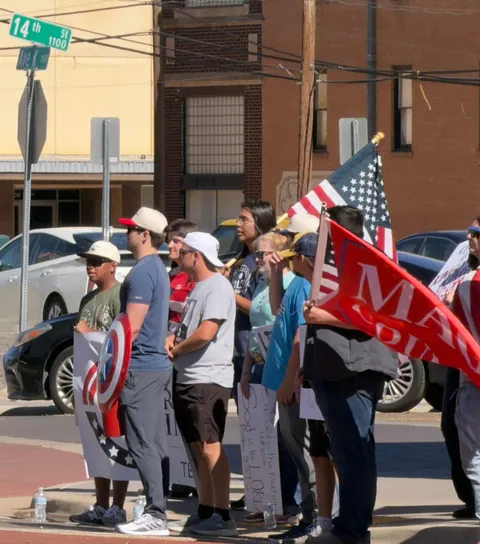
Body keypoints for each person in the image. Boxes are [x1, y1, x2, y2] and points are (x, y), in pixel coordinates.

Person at [303, 205, 398, 544]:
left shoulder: (363, 266)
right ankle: (352, 525)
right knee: (350, 451)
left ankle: (351, 530)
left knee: (353, 452)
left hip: (354, 369)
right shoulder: (335, 267)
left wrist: (322, 317)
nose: (320, 235)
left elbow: (371, 317)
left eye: (326, 229)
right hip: (335, 369)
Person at [263, 233, 336, 544]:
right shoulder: (297, 283)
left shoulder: (309, 286)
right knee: (298, 449)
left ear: (305, 259)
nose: (288, 260)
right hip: (286, 379)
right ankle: (310, 515)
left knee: (306, 453)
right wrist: (276, 276)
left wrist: (288, 380)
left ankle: (313, 516)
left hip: (292, 383)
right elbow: (278, 308)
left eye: (293, 257)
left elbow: (299, 336)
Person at [166, 232, 237, 537]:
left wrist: (177, 349)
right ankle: (206, 508)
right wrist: (173, 339)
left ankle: (223, 514)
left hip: (208, 378)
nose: (178, 255)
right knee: (196, 447)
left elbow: (207, 332)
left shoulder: (218, 286)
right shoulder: (199, 288)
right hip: (189, 377)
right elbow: (188, 327)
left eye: (183, 251)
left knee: (210, 447)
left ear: (196, 255)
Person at [114, 207, 172, 536]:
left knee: (143, 444)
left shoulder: (142, 272)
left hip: (141, 368)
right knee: (153, 442)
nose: (127, 234)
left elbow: (131, 329)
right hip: (151, 367)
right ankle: (156, 510)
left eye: (132, 229)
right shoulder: (155, 269)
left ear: (145, 235)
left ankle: (155, 513)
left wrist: (111, 367)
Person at [239, 232, 300, 525]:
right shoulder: (261, 285)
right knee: (260, 438)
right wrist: (246, 370)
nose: (257, 260)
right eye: (256, 255)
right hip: (259, 364)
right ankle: (263, 500)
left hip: (281, 367)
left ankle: (288, 501)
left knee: (283, 439)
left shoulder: (288, 284)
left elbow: (285, 327)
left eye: (262, 254)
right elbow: (256, 329)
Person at [70, 241, 128, 528]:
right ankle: (100, 503)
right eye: (88, 262)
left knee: (115, 441)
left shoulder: (119, 295)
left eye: (96, 261)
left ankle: (118, 506)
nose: (90, 267)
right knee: (94, 443)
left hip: (111, 383)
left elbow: (121, 339)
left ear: (112, 265)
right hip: (88, 385)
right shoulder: (87, 300)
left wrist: (89, 332)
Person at [229, 199, 276, 511]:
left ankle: (268, 491)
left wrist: (227, 293)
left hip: (257, 351)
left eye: (244, 219)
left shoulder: (259, 265)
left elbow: (261, 308)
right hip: (238, 353)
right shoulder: (238, 261)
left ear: (259, 223)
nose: (238, 224)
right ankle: (253, 488)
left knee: (264, 429)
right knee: (248, 427)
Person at [164, 218, 199, 500]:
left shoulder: (195, 279)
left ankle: (192, 479)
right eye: (169, 240)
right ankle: (178, 476)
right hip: (167, 355)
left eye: (176, 241)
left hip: (185, 355)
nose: (170, 245)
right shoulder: (171, 275)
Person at [451, 218, 480, 523]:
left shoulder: (469, 284)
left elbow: (455, 331)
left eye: (476, 234)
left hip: (473, 377)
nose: (469, 238)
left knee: (475, 458)